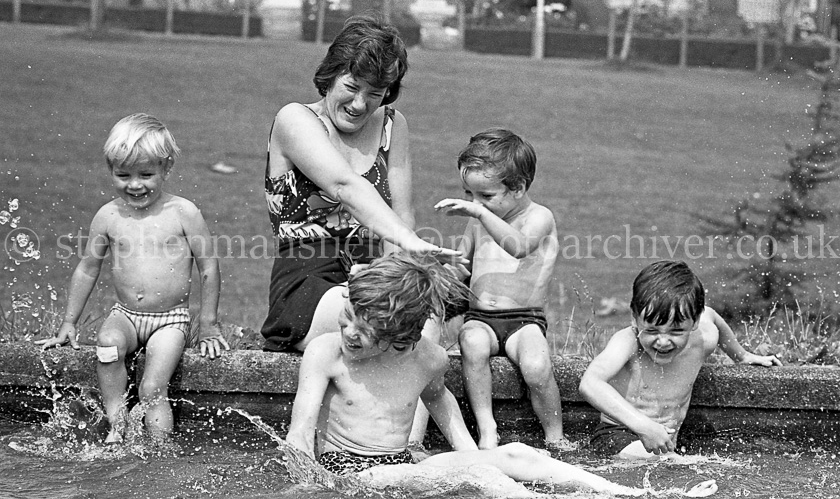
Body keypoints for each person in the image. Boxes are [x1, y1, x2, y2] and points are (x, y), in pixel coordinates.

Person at [284, 253, 717, 497]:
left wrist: (470, 453)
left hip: (398, 468)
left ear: (401, 337)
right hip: (350, 474)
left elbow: (439, 398)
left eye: (365, 330)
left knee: (515, 456)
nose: (349, 333)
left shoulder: (426, 359)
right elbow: (300, 431)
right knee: (488, 478)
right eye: (348, 317)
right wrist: (305, 486)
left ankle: (633, 494)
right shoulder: (328, 353)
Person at [260, 13, 461, 355]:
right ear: (331, 75)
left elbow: (402, 213)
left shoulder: (393, 125)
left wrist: (397, 274)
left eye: (375, 93)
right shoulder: (294, 119)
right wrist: (407, 239)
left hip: (375, 276)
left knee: (424, 323)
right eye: (352, 87)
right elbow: (345, 186)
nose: (359, 104)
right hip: (308, 280)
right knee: (381, 318)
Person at [36, 113, 230, 444]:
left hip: (170, 320)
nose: (135, 185)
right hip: (125, 314)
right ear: (110, 169)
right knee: (107, 346)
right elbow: (88, 268)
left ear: (166, 168)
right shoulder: (109, 216)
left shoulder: (182, 213)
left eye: (146, 175)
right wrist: (69, 322)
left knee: (152, 387)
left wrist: (208, 324)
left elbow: (208, 267)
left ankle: (159, 450)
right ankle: (118, 423)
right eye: (123, 175)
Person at [434, 129, 568, 451]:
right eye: (469, 194)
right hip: (480, 317)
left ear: (518, 187)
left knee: (536, 367)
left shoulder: (539, 217)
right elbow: (461, 266)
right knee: (471, 342)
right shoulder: (478, 220)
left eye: (485, 196)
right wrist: (443, 264)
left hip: (525, 320)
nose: (474, 203)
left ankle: (556, 436)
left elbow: (519, 247)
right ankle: (487, 428)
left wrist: (479, 213)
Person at [578, 260, 783, 460]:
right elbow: (590, 383)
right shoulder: (628, 341)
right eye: (652, 330)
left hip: (666, 444)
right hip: (618, 434)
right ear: (634, 318)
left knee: (672, 460)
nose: (663, 341)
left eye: (676, 331)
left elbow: (712, 317)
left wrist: (742, 355)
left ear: (694, 322)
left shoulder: (702, 339)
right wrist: (643, 426)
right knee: (677, 463)